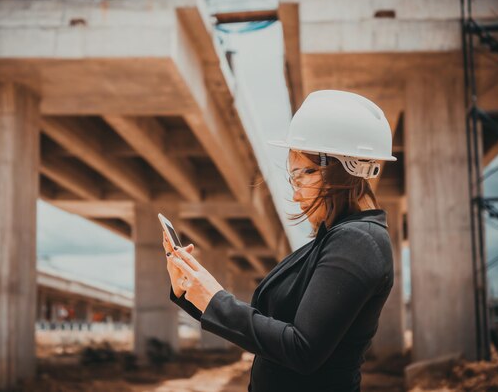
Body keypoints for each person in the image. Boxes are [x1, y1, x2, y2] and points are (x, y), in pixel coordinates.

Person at [162, 90, 397, 392]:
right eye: (293, 179)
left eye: (302, 175)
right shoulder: (338, 238)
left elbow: (302, 349)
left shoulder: (359, 242)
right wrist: (191, 292)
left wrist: (214, 299)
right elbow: (270, 331)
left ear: (341, 166)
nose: (296, 192)